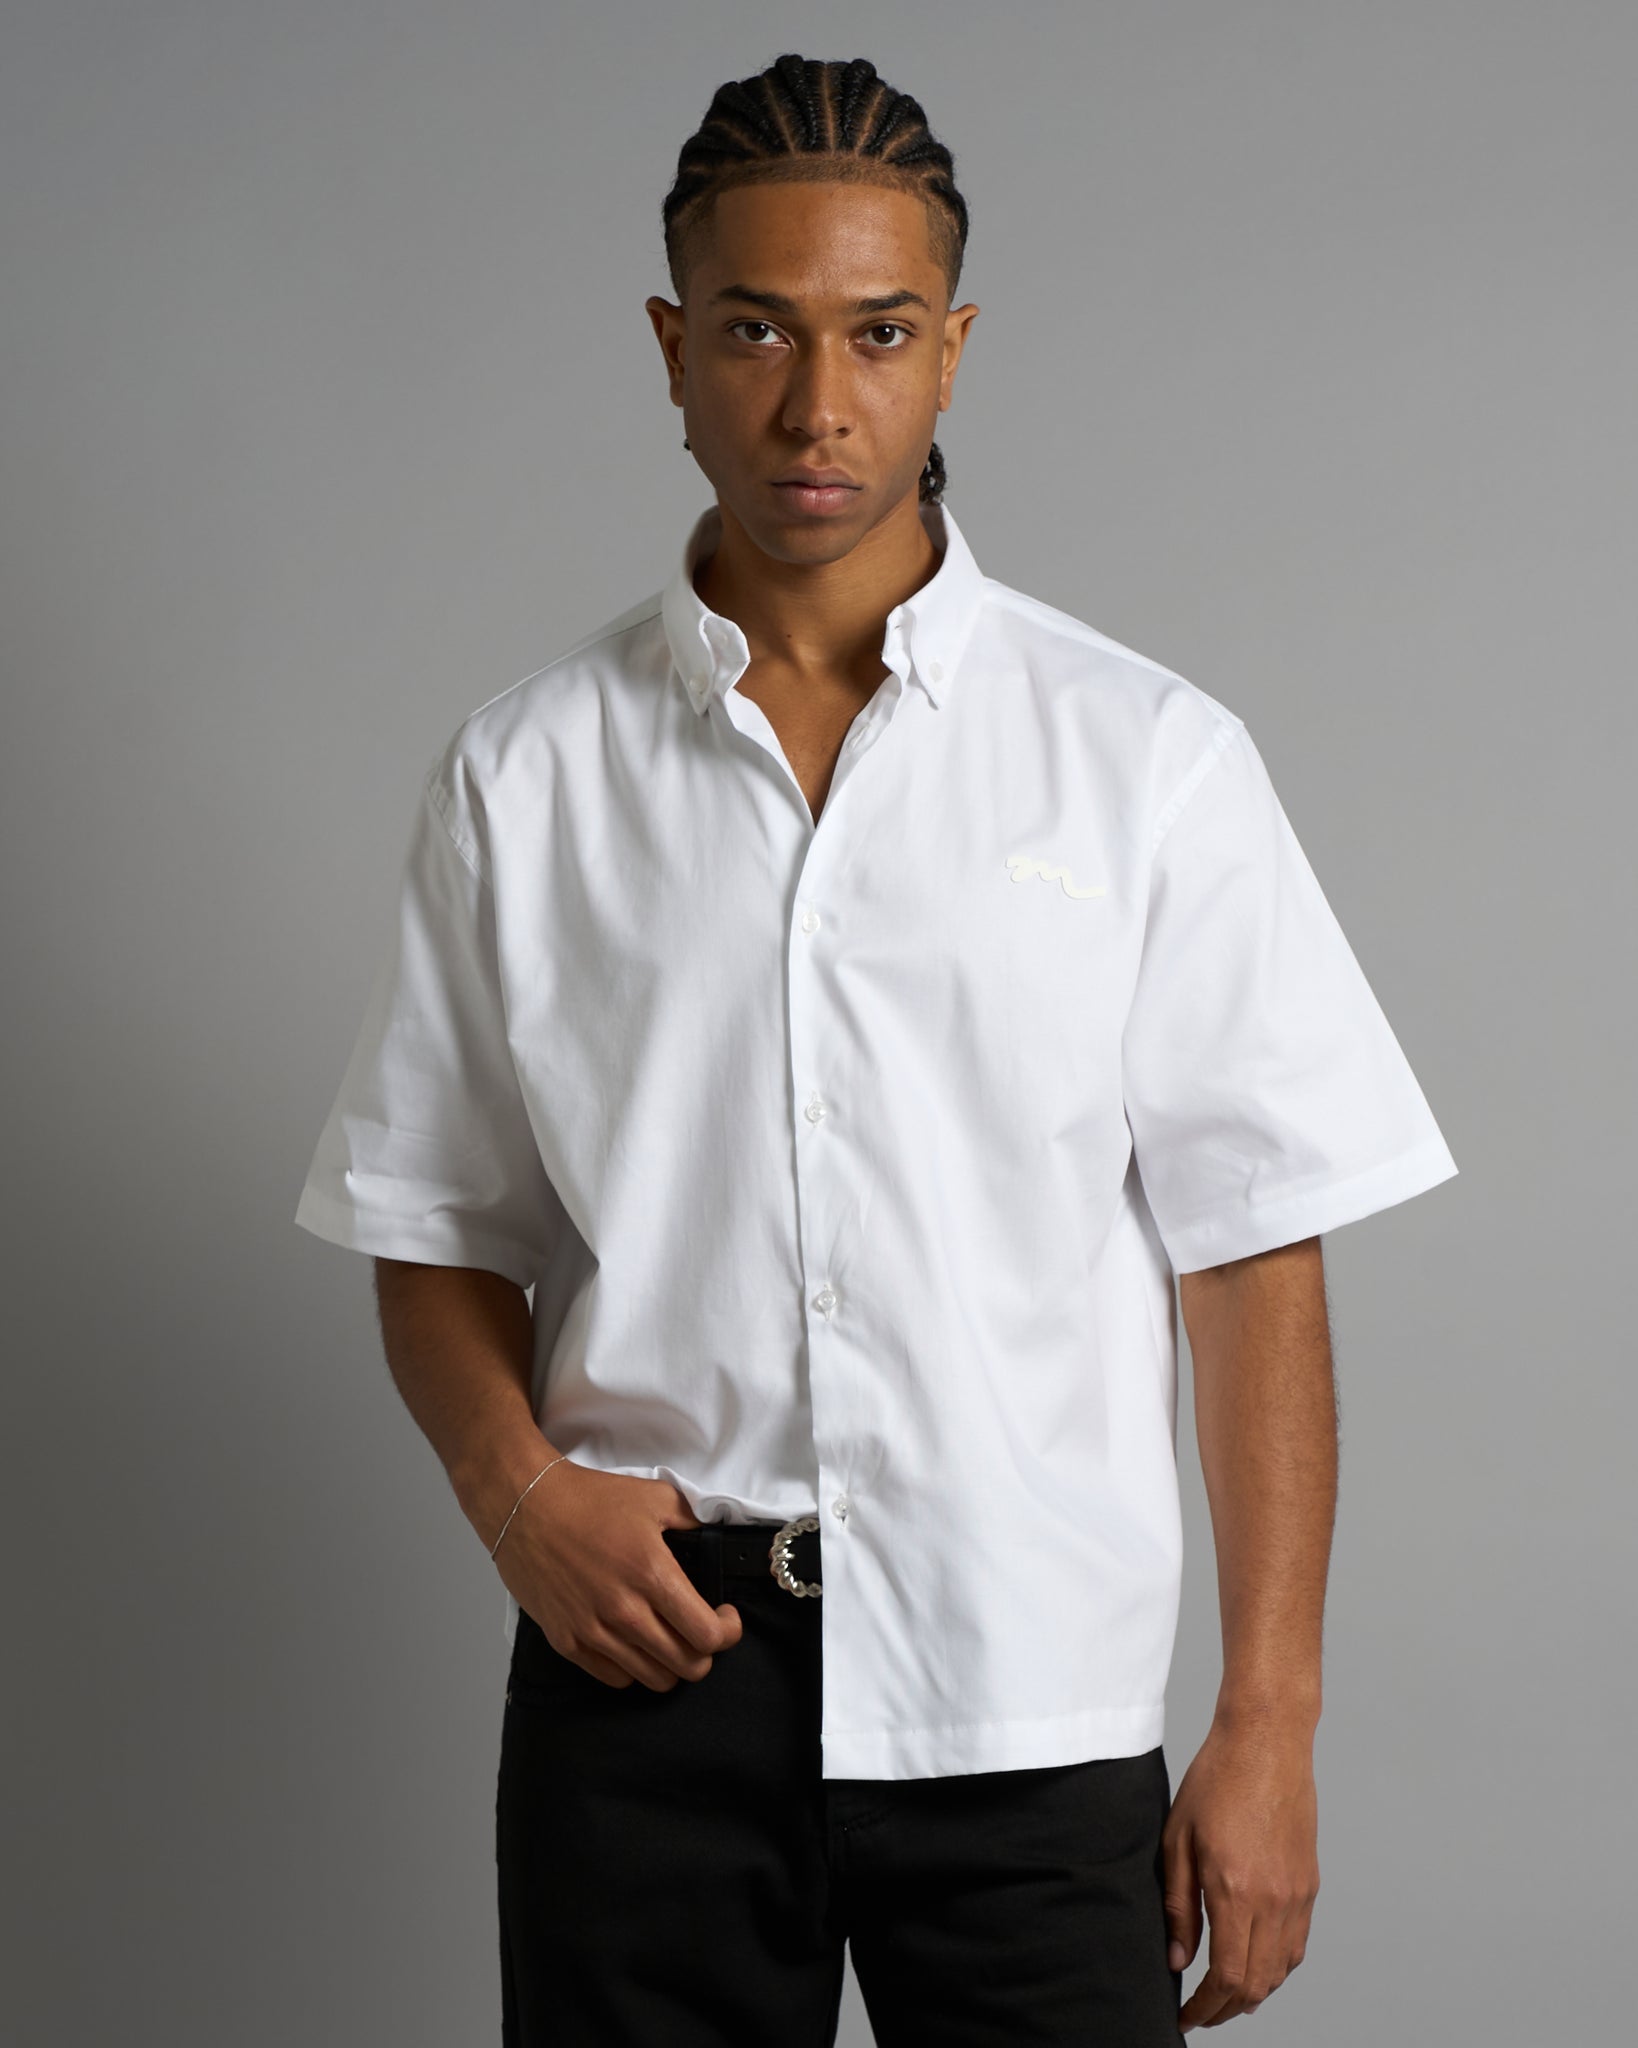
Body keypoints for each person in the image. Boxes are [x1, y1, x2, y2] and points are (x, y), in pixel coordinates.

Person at [294, 51, 1458, 2046]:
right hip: (645, 1680)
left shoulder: (1145, 762)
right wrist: (516, 1496)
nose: (816, 404)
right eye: (754, 330)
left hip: (1029, 1688)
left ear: (954, 352)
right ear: (672, 350)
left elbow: (1254, 1258)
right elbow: (432, 1224)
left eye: (879, 333)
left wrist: (1269, 1721)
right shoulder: (524, 777)